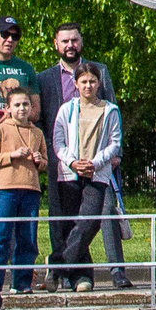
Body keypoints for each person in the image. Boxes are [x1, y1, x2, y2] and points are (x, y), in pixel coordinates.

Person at [36, 25, 126, 288]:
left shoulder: (100, 71)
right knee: (63, 220)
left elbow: (113, 121)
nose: (70, 45)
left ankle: (62, 268)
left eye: (74, 40)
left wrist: (107, 158)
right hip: (62, 162)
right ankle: (77, 277)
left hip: (97, 164)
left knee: (91, 219)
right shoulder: (44, 78)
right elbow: (46, 123)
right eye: (65, 41)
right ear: (56, 44)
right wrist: (62, 158)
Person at [50, 64, 122, 293]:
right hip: (70, 174)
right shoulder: (66, 109)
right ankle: (82, 276)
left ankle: (57, 266)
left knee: (89, 222)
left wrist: (95, 162)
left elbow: (115, 143)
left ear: (98, 83)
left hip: (96, 173)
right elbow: (58, 142)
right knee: (72, 224)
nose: (88, 86)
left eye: (92, 81)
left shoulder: (110, 110)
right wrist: (73, 162)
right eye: (83, 81)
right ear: (76, 84)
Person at [0, 84, 49, 294]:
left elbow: (45, 163)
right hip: (7, 188)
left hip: (31, 188)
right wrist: (11, 156)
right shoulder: (0, 130)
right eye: (17, 105)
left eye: (25, 104)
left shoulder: (37, 132)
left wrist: (40, 161)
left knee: (28, 237)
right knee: (1, 236)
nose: (22, 109)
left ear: (31, 107)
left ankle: (21, 282)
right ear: (8, 108)